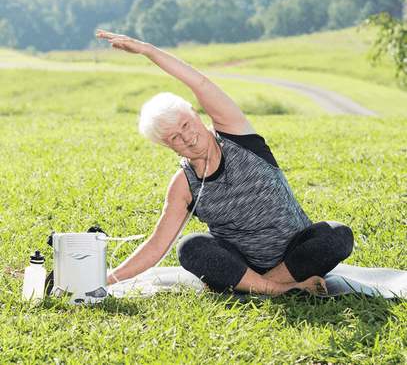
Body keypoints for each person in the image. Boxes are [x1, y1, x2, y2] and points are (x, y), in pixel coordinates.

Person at [96, 30, 354, 296]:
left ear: (195, 113)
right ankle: (279, 290)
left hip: (295, 255)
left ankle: (269, 286)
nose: (187, 136)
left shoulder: (235, 133)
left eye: (185, 124)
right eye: (174, 137)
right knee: (190, 246)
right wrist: (105, 279)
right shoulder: (184, 185)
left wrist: (149, 51)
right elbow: (156, 246)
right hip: (240, 265)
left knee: (337, 234)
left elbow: (200, 83)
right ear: (167, 146)